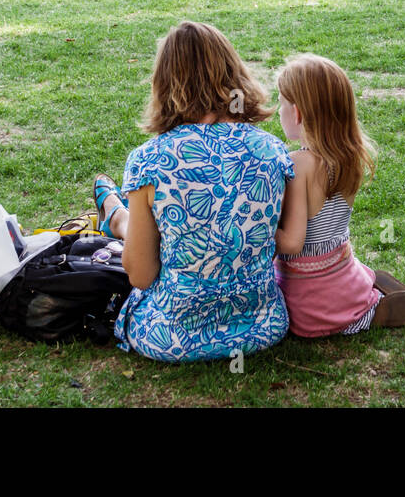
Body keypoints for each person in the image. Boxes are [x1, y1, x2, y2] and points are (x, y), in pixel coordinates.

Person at [90, 21, 294, 362]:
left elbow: (140, 275)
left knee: (144, 217)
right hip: (262, 327)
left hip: (171, 337)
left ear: (165, 83)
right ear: (235, 73)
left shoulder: (149, 160)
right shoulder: (272, 150)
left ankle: (117, 215)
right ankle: (118, 214)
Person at [274, 54, 405, 335]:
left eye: (280, 103)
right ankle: (368, 297)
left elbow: (291, 243)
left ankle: (370, 296)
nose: (277, 110)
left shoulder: (298, 165)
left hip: (308, 303)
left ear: (298, 112)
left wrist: (256, 228)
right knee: (344, 269)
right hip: (339, 270)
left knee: (297, 312)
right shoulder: (348, 157)